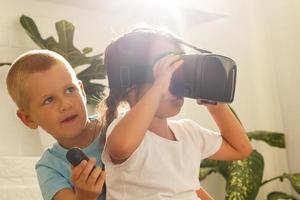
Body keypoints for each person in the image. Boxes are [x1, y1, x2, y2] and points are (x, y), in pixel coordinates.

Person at [99, 27, 253, 200]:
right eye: (166, 73)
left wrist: (213, 100)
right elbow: (121, 148)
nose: (175, 85)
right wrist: (159, 87)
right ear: (131, 87)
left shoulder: (188, 132)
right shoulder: (123, 130)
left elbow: (241, 149)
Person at [6, 50, 106, 200]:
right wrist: (84, 196)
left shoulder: (114, 124)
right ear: (28, 119)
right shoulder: (49, 167)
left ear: (82, 92)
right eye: (49, 100)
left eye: (69, 90)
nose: (65, 105)